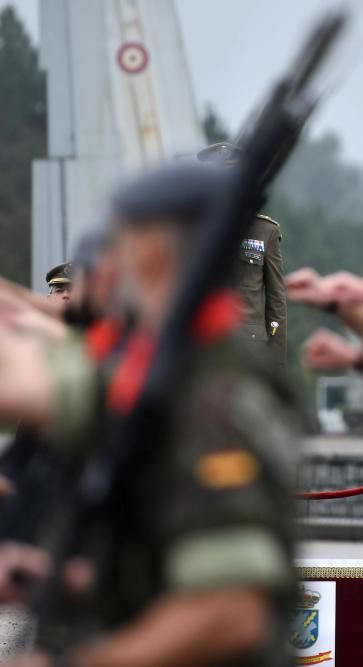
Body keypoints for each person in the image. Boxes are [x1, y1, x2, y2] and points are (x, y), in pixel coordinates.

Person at [0, 162, 301, 667]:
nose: (108, 263)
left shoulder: (214, 395)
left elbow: (230, 611)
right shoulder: (167, 365)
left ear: (157, 250)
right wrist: (71, 578)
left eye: (122, 241)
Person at [198, 142, 288, 367]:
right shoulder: (193, 229)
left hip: (250, 347)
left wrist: (275, 357)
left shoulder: (265, 231)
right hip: (204, 345)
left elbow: (276, 298)